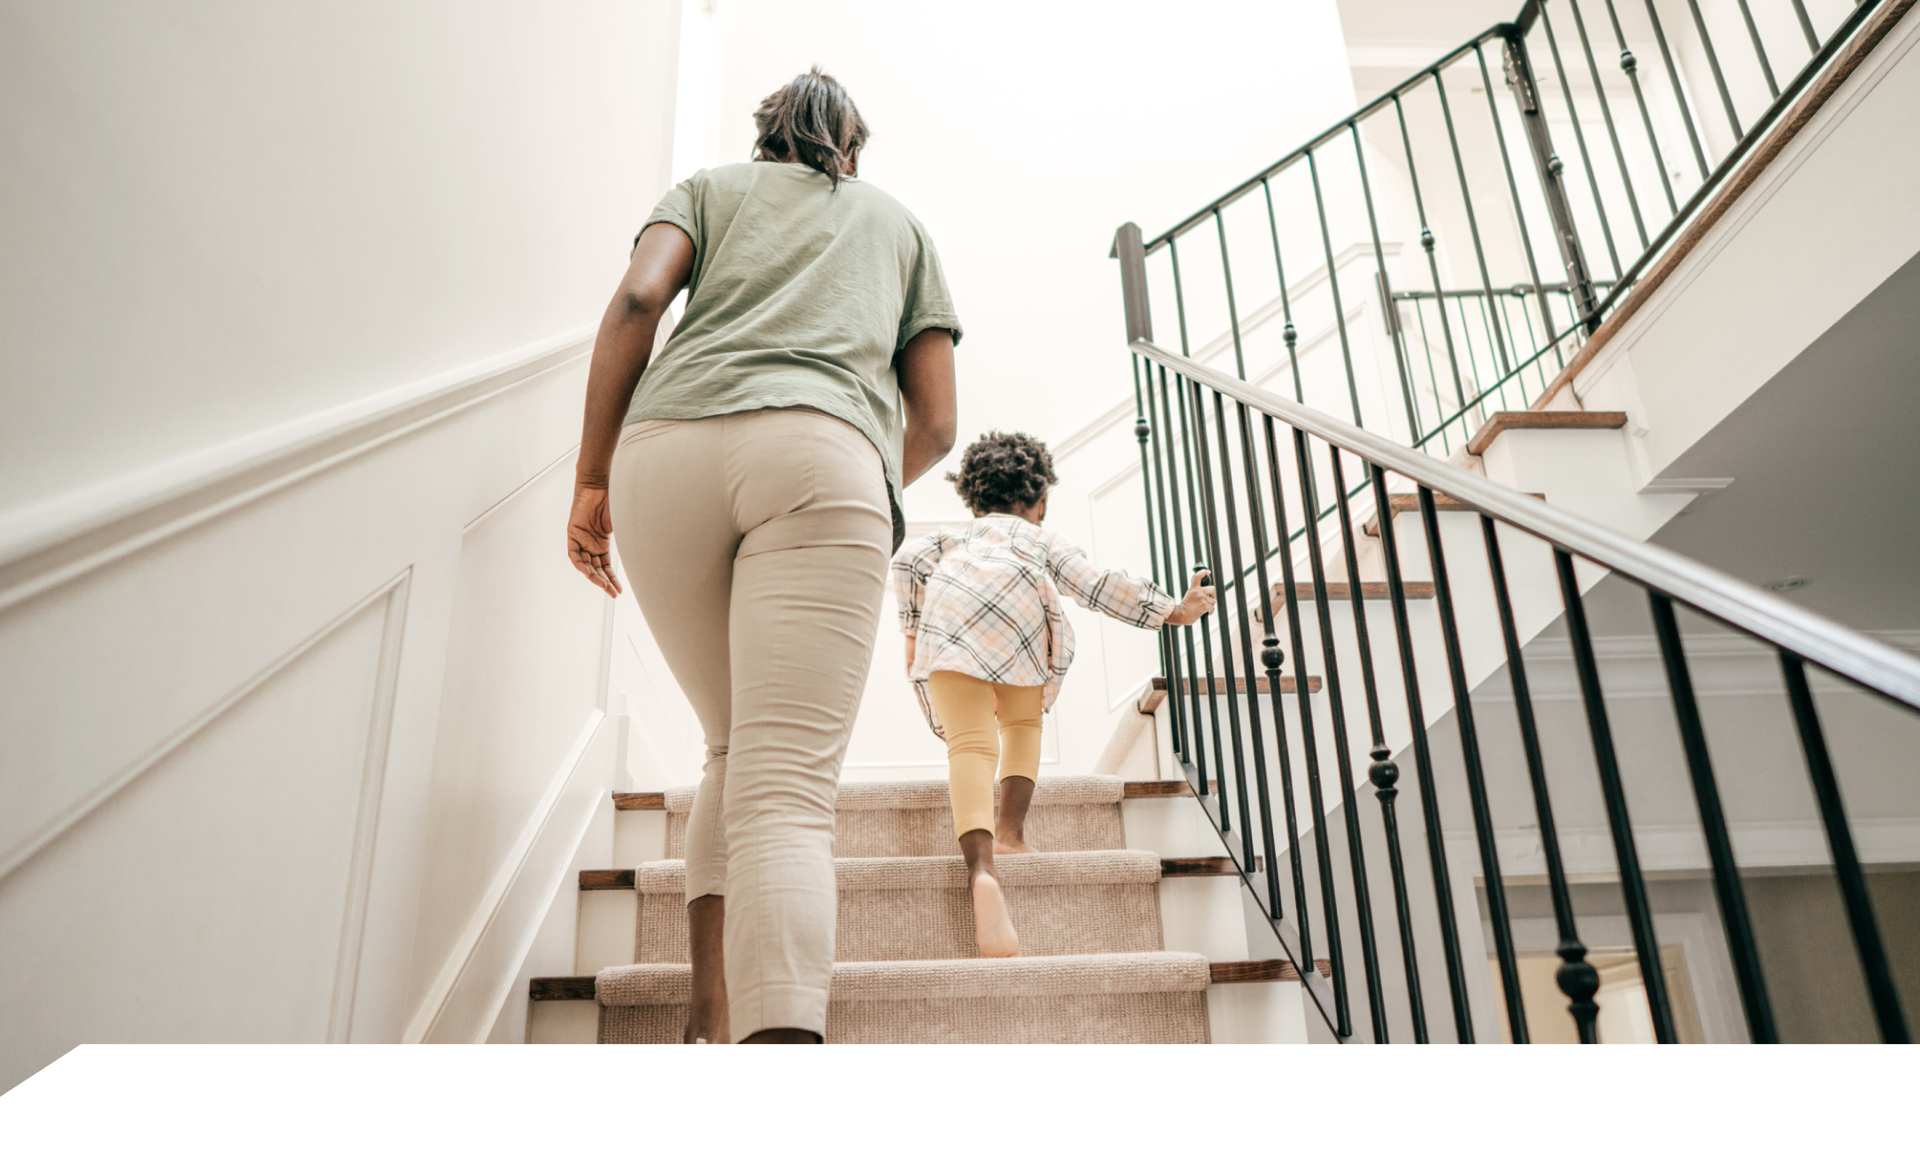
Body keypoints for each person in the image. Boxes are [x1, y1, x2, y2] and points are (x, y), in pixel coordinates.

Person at [566, 69, 959, 1044]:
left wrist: (590, 479)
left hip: (664, 453)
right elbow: (939, 422)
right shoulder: (897, 225)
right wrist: (860, 476)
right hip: (822, 456)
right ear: (851, 147)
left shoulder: (707, 190)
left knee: (732, 750)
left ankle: (709, 1014)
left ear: (765, 137)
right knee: (784, 788)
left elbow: (637, 302)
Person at [891, 431, 1215, 958]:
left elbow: (906, 563)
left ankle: (980, 870)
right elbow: (1096, 584)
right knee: (1021, 726)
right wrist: (1174, 610)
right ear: (1039, 500)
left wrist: (911, 631)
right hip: (1017, 630)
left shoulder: (949, 541)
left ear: (973, 497)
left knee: (969, 747)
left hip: (947, 632)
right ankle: (1011, 833)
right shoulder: (1040, 540)